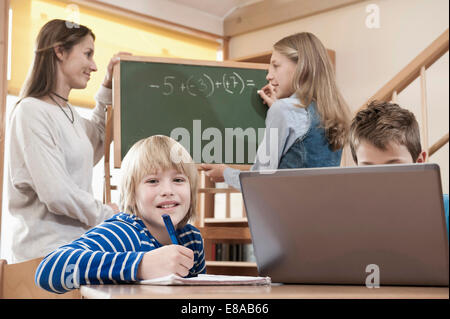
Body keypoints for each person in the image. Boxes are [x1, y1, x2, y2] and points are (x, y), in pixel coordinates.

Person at [7, 19, 125, 263]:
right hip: (42, 260)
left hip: (73, 253)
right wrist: (106, 214)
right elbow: (56, 192)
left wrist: (107, 83)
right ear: (60, 51)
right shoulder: (31, 111)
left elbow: (99, 136)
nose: (93, 66)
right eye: (88, 54)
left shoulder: (68, 114)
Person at [35, 135, 206, 294]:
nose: (168, 191)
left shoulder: (192, 238)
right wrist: (141, 266)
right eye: (153, 181)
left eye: (178, 180)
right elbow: (48, 271)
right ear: (132, 195)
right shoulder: (123, 233)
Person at [200, 32, 351, 190]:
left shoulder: (284, 109)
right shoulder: (331, 111)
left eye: (276, 66)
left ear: (301, 67)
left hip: (286, 212)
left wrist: (225, 173)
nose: (269, 76)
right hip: (322, 211)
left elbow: (259, 181)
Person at [349, 100, 448, 233]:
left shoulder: (445, 211)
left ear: (419, 162)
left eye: (393, 167)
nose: (380, 183)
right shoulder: (349, 216)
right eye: (368, 169)